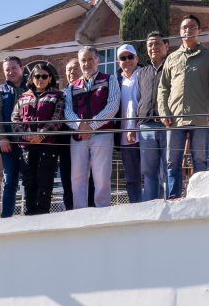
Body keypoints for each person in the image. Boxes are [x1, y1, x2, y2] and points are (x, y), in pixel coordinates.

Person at [158, 15, 209, 199]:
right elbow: (163, 88)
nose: (188, 30)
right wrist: (164, 112)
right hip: (174, 120)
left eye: (192, 27)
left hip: (200, 118)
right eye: (184, 27)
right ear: (180, 32)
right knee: (172, 161)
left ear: (199, 31)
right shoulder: (172, 58)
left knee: (200, 160)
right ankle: (173, 198)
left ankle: (201, 197)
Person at [65, 45, 121, 208]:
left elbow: (113, 106)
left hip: (102, 134)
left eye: (90, 59)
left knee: (102, 177)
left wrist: (93, 125)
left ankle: (103, 210)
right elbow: (67, 111)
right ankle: (79, 212)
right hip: (79, 136)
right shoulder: (72, 86)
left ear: (97, 60)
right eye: (83, 60)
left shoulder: (109, 79)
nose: (87, 63)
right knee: (77, 177)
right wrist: (79, 125)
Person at [11, 61, 66, 215]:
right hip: (26, 146)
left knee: (45, 181)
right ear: (32, 78)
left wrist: (41, 135)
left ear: (50, 78)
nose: (40, 79)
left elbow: (57, 119)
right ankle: (30, 214)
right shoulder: (23, 98)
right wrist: (25, 135)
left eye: (44, 76)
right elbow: (15, 119)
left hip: (47, 146)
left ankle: (42, 214)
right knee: (28, 181)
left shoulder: (58, 96)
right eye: (37, 76)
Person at [0, 56, 26, 218]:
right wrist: (2, 138)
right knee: (10, 180)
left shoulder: (31, 86)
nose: (11, 72)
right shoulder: (0, 91)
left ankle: (33, 214)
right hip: (8, 144)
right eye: (7, 69)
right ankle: (6, 217)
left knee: (30, 179)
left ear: (21, 69)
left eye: (14, 68)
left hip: (29, 143)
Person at [137, 31, 171, 201]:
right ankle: (150, 205)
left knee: (168, 169)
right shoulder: (142, 72)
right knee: (148, 171)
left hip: (167, 125)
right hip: (146, 127)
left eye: (157, 43)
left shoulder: (172, 67)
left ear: (166, 46)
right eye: (150, 44)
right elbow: (139, 98)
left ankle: (171, 203)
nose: (153, 47)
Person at [115, 44, 143, 203]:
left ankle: (155, 205)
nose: (127, 60)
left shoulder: (145, 74)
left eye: (130, 57)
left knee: (152, 173)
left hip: (145, 132)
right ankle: (136, 206)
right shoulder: (115, 81)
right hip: (125, 138)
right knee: (131, 177)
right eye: (123, 58)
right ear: (118, 62)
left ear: (137, 58)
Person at [60, 59, 81, 209]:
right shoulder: (61, 94)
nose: (72, 72)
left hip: (84, 139)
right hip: (65, 143)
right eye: (69, 69)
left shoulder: (87, 90)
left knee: (87, 178)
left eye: (75, 68)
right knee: (67, 179)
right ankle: (69, 210)